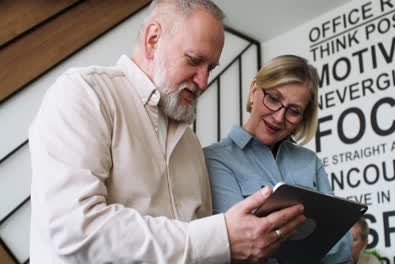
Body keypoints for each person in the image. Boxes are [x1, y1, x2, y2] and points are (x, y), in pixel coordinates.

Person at [28, 1, 306, 263]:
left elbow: (197, 249)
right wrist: (221, 237)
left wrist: (242, 245)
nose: (204, 81)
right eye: (194, 60)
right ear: (153, 40)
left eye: (210, 68)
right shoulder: (84, 93)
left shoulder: (191, 143)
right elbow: (75, 228)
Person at [204, 55, 352, 263]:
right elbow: (240, 247)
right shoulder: (215, 159)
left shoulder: (309, 161)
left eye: (294, 111)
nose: (278, 117)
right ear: (254, 89)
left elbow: (343, 246)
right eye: (273, 98)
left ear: (303, 118)